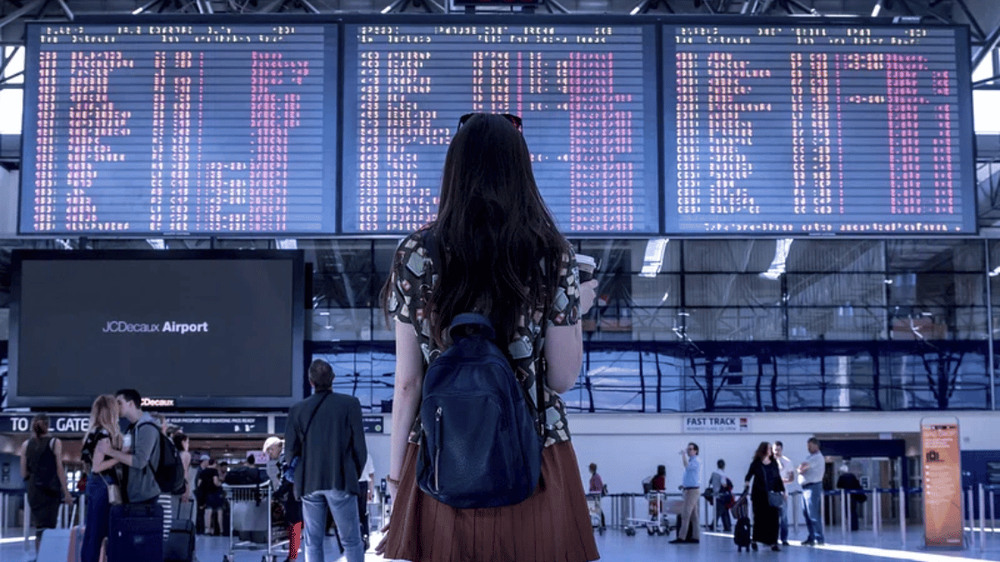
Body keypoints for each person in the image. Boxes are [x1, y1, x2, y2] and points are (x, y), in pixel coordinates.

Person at [376, 112, 600, 562]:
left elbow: (408, 383)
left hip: (442, 454)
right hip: (534, 452)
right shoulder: (552, 253)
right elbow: (561, 376)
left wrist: (398, 477)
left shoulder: (416, 252)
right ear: (521, 171)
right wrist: (576, 311)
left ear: (454, 171)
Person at [284, 359, 367, 562]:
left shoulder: (297, 410)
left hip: (309, 483)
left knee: (313, 542)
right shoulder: (350, 404)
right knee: (351, 540)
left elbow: (289, 452)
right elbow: (360, 448)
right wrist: (351, 474)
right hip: (341, 480)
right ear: (333, 379)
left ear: (310, 381)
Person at [19, 413, 73, 554]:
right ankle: (46, 556)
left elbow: (23, 473)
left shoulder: (25, 445)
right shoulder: (55, 442)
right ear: (48, 425)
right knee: (49, 526)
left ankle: (40, 556)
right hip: (51, 489)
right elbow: (59, 469)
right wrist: (66, 493)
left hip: (34, 491)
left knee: (39, 527)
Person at [80, 395, 123, 562]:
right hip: (104, 487)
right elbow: (98, 466)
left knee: (92, 532)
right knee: (100, 532)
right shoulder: (104, 434)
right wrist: (120, 457)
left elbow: (89, 465)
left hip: (94, 485)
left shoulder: (91, 433)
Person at [744, 442, 785, 552]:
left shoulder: (773, 463)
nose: (770, 450)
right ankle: (755, 540)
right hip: (759, 495)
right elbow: (748, 475)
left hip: (771, 494)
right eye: (768, 449)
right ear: (763, 450)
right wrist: (747, 484)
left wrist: (782, 491)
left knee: (773, 518)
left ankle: (773, 542)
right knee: (759, 518)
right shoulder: (756, 463)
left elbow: (778, 478)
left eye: (771, 449)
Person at [670, 442, 701, 544]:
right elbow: (691, 477)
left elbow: (686, 467)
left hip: (693, 491)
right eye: (688, 449)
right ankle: (695, 537)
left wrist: (683, 456)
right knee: (694, 516)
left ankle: (682, 537)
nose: (688, 451)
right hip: (689, 489)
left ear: (695, 451)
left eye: (690, 449)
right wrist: (684, 485)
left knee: (685, 513)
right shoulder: (693, 461)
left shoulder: (696, 461)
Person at [798, 436, 826, 546]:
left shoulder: (817, 457)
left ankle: (819, 538)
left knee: (813, 514)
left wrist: (800, 469)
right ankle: (811, 537)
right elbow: (801, 468)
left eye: (810, 446)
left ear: (816, 446)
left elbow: (802, 468)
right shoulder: (810, 457)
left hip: (812, 487)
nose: (808, 448)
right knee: (807, 514)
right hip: (805, 488)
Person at [774, 440, 798, 546]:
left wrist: (784, 481)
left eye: (778, 450)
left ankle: (784, 538)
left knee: (783, 517)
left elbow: (792, 478)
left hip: (782, 493)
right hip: (771, 493)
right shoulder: (768, 462)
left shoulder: (787, 462)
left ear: (781, 449)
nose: (776, 452)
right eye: (775, 450)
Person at [197, 458, 225, 535]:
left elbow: (199, 484)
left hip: (206, 494)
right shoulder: (214, 471)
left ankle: (207, 529)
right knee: (219, 511)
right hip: (215, 493)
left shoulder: (203, 471)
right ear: (215, 464)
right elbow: (215, 482)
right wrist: (220, 484)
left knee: (208, 511)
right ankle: (221, 530)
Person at [171, 432, 192, 521]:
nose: (188, 444)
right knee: (181, 513)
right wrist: (186, 489)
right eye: (187, 442)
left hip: (171, 485)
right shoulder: (185, 454)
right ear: (183, 442)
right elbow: (184, 471)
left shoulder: (173, 453)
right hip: (181, 485)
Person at [836, 464, 864, 531]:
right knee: (853, 511)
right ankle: (854, 526)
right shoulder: (852, 476)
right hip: (853, 496)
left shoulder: (841, 477)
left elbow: (838, 485)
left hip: (845, 497)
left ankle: (848, 525)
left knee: (847, 511)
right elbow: (857, 484)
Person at [708, 459, 732, 532]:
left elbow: (710, 482)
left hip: (715, 494)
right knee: (720, 511)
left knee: (721, 511)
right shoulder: (722, 474)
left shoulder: (713, 473)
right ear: (724, 466)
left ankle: (726, 526)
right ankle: (715, 525)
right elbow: (724, 484)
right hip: (721, 495)